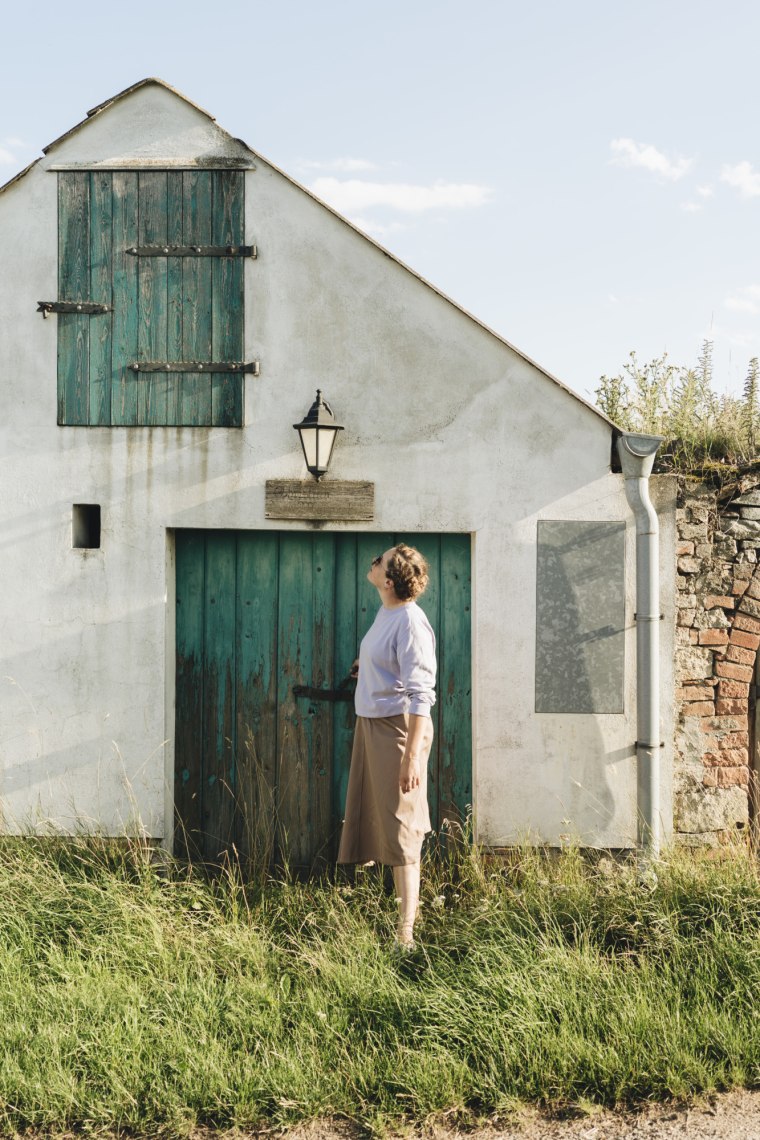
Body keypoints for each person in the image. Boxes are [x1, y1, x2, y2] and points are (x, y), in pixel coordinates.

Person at [337, 543, 437, 950]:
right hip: (372, 728)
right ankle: (401, 925)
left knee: (403, 829)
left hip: (398, 732)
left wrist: (411, 757)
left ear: (390, 579)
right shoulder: (387, 612)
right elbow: (391, 664)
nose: (372, 562)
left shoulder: (411, 622)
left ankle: (406, 937)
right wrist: (369, 669)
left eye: (379, 561)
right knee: (385, 823)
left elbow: (421, 694)